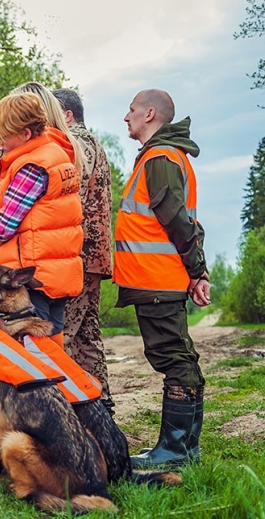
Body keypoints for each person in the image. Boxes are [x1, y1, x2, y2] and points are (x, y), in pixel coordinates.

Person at [116, 89, 209, 469]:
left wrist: (197, 269)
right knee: (179, 357)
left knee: (173, 358)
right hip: (158, 279)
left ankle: (174, 452)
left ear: (150, 114)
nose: (126, 117)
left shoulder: (160, 157)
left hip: (157, 280)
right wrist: (195, 269)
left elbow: (177, 220)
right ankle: (185, 450)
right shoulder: (163, 156)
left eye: (132, 110)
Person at [0, 93, 84, 346]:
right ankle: (63, 385)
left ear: (26, 134)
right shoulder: (56, 155)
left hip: (31, 273)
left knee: (32, 347)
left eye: (5, 135)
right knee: (53, 341)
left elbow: (7, 222)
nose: (1, 142)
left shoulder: (30, 166)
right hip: (56, 271)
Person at [52, 88, 115, 410]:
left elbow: (69, 188)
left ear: (67, 115)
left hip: (78, 252)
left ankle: (70, 406)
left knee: (63, 333)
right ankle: (99, 401)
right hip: (92, 254)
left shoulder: (77, 142)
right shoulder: (92, 142)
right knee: (87, 333)